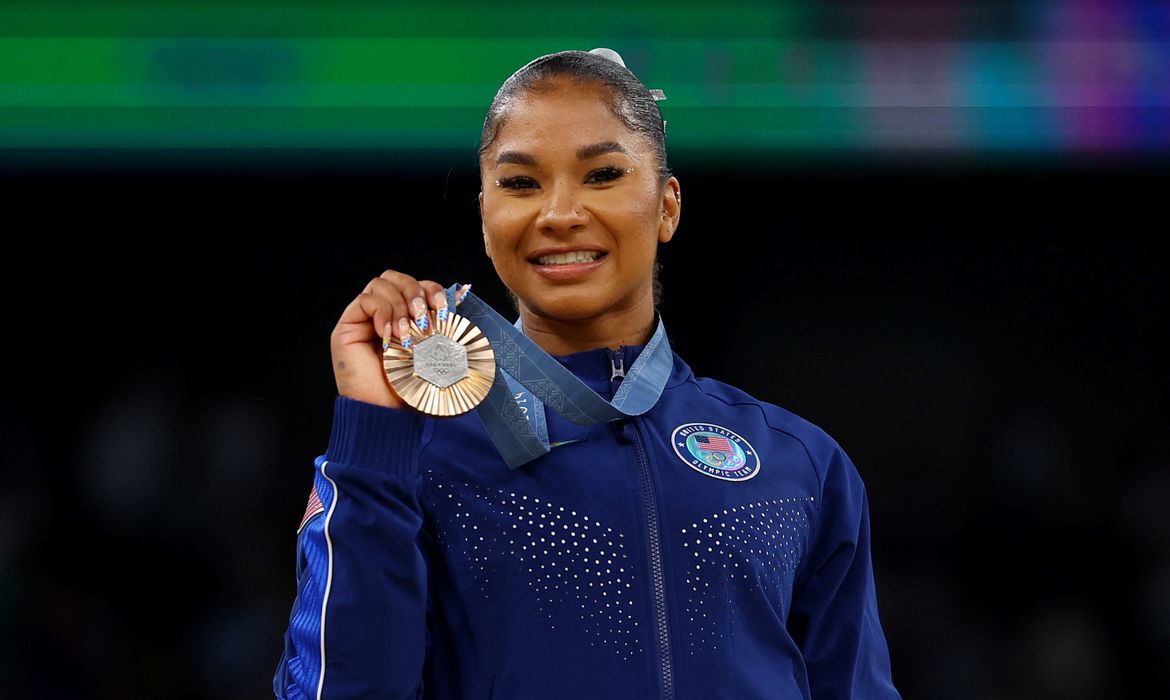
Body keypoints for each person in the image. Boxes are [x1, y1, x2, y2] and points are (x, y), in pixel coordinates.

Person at [273, 48, 901, 699]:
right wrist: (373, 432)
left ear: (666, 206)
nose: (560, 213)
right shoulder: (412, 454)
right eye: (521, 184)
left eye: (602, 174)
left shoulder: (797, 464)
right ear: (485, 216)